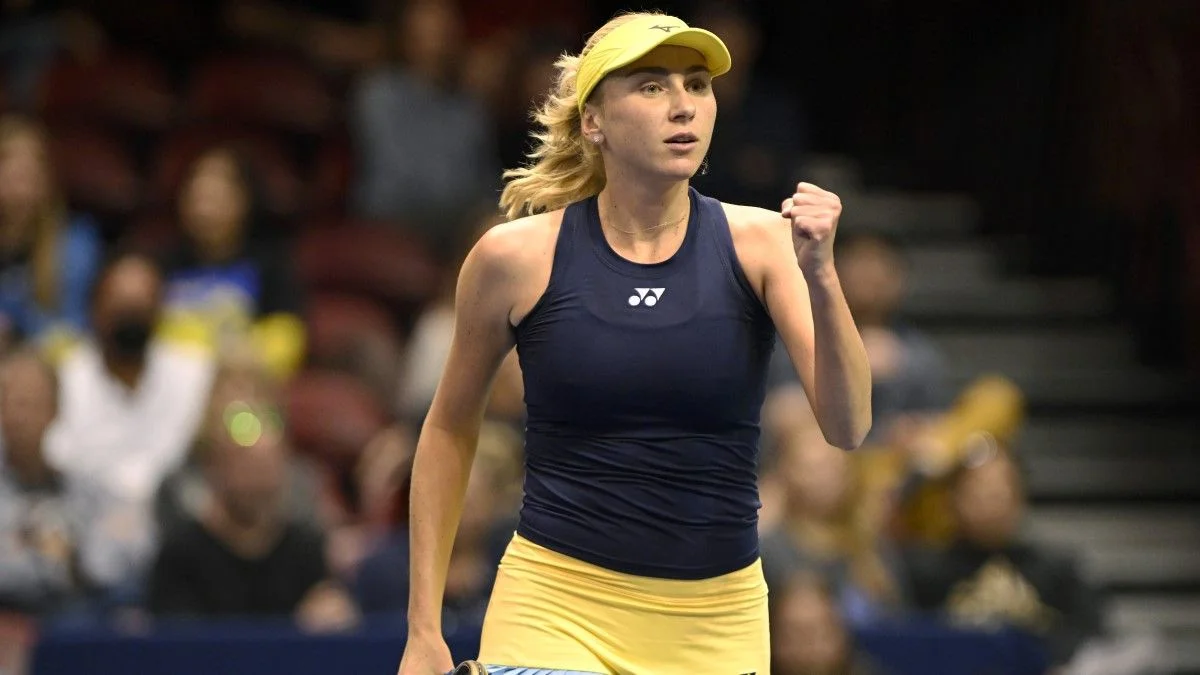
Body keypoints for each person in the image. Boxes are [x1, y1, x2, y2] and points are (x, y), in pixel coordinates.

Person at [398, 11, 872, 675]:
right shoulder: (512, 257)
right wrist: (423, 628)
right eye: (652, 86)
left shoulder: (767, 244)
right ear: (594, 120)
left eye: (697, 85)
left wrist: (822, 275)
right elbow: (449, 429)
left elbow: (848, 427)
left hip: (717, 619)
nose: (683, 105)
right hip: (553, 606)